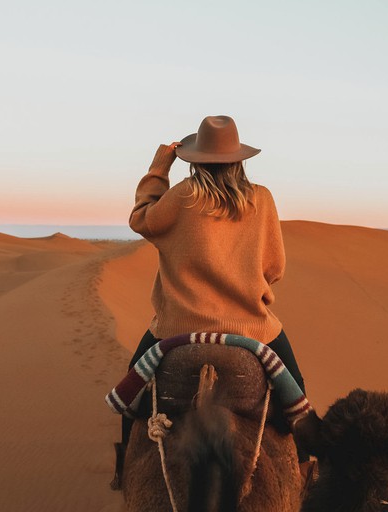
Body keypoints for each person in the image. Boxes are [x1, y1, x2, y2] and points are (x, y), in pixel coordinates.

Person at [110, 115, 307, 490]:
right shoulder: (262, 198)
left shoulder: (182, 196)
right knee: (296, 395)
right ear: (238, 159)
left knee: (131, 400)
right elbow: (275, 268)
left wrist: (159, 167)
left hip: (178, 328)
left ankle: (122, 470)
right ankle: (303, 470)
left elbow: (140, 219)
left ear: (195, 159)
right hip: (253, 327)